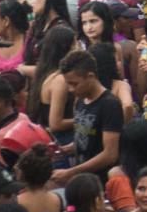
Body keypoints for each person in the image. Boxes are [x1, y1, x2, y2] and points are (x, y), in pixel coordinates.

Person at [51, 50, 123, 185]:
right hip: (83, 179)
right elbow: (87, 137)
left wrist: (71, 172)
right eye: (68, 84)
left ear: (90, 76)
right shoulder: (80, 100)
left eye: (74, 83)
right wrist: (65, 149)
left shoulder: (109, 104)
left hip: (100, 182)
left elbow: (110, 154)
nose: (71, 89)